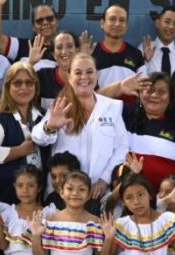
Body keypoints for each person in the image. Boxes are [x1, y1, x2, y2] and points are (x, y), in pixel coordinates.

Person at [32, 54, 129, 203]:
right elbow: (38, 137)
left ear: (96, 75)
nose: (84, 77)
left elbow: (122, 147)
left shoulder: (112, 107)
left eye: (89, 72)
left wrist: (105, 179)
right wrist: (50, 126)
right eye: (78, 72)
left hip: (99, 194)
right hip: (63, 195)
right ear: (69, 77)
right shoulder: (61, 105)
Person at [123, 71, 175, 189]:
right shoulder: (126, 116)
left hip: (173, 201)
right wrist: (120, 87)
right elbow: (92, 102)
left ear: (171, 97)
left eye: (161, 92)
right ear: (140, 93)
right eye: (149, 91)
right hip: (132, 198)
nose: (155, 95)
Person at [0, 61, 43, 204]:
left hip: (36, 200)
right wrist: (20, 151)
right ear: (8, 87)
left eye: (29, 83)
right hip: (4, 197)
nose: (24, 88)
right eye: (17, 83)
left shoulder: (43, 117)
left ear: (36, 87)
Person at [0, 0, 58, 66]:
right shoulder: (23, 46)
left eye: (49, 18)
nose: (45, 23)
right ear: (33, 27)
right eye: (39, 21)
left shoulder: (67, 45)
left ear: (57, 21)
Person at [92, 4, 144, 89]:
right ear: (102, 23)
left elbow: (143, 90)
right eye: (112, 19)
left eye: (122, 20)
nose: (117, 24)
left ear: (127, 26)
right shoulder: (91, 52)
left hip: (128, 103)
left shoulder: (136, 54)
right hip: (99, 102)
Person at [140, 6, 175, 77]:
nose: (171, 27)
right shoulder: (144, 48)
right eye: (167, 22)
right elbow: (139, 79)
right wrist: (146, 61)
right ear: (157, 23)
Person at [37, 31, 79, 111]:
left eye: (69, 46)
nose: (64, 51)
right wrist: (31, 62)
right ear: (54, 54)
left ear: (77, 50)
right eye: (59, 47)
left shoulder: (86, 76)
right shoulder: (43, 76)